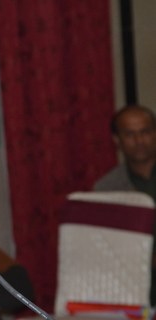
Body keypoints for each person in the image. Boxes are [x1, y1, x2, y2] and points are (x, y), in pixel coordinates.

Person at [93, 104, 156, 305]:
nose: (139, 141)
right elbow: (105, 246)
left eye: (145, 132)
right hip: (134, 291)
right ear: (117, 140)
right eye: (130, 134)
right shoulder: (106, 189)